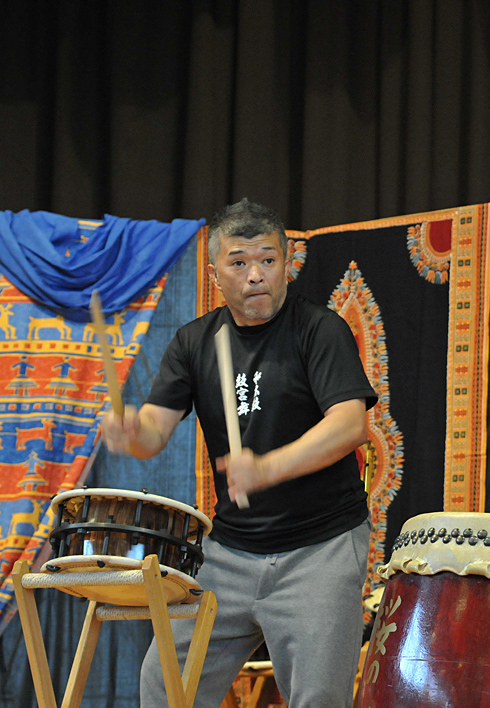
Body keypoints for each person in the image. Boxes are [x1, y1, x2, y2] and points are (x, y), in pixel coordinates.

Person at [102, 199, 377, 708]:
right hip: (229, 553)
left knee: (318, 698)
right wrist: (128, 433)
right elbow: (153, 432)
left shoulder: (319, 330)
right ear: (215, 273)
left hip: (320, 549)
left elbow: (349, 425)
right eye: (239, 263)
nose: (256, 276)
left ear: (288, 261)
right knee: (166, 682)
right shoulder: (194, 343)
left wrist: (266, 467)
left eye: (268, 261)